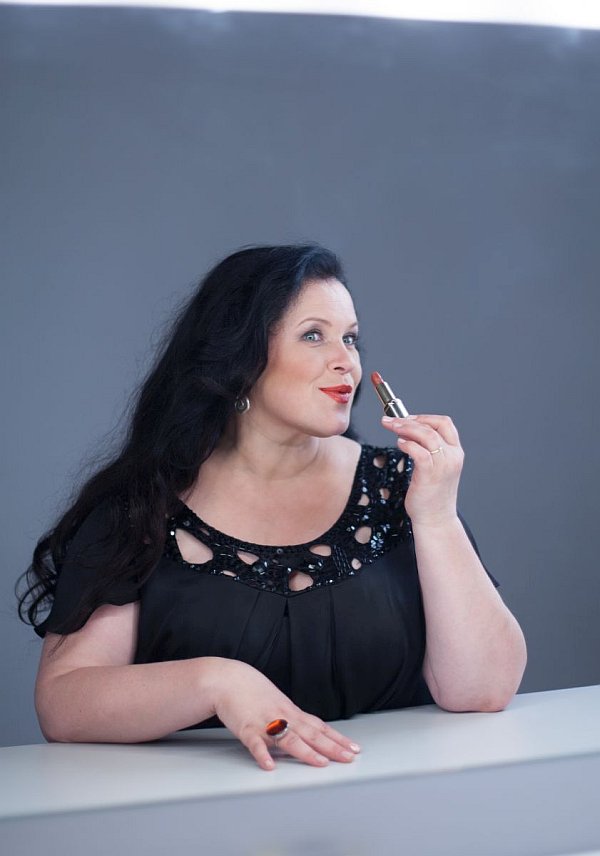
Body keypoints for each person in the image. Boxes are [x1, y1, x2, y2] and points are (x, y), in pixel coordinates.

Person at [18, 244, 527, 771]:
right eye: (313, 335)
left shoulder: (401, 487)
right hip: (202, 811)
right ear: (240, 357)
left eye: (350, 338)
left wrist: (437, 517)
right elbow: (64, 704)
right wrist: (218, 682)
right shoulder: (139, 507)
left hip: (398, 801)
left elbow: (483, 689)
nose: (346, 361)